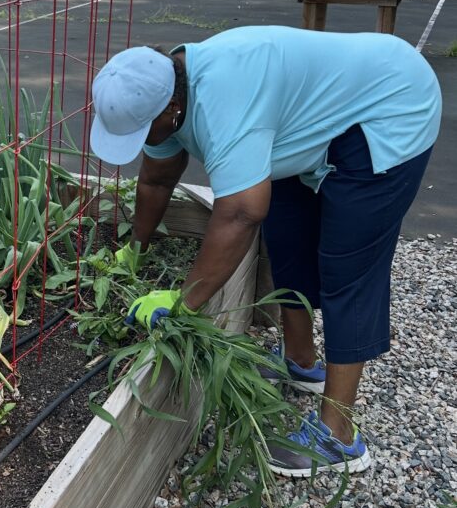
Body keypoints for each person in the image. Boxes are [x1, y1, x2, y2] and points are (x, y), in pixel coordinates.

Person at [89, 26, 441, 477]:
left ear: (172, 109)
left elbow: (240, 213)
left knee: (347, 267)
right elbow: (156, 180)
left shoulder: (225, 105)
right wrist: (133, 251)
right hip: (309, 118)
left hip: (390, 106)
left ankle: (339, 436)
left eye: (142, 131)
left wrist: (183, 302)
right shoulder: (163, 88)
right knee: (287, 235)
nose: (141, 141)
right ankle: (300, 360)